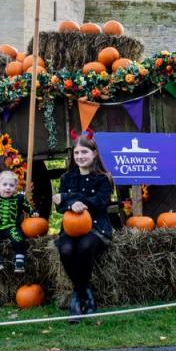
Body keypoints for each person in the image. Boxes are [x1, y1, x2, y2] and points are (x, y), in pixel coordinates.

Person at [52, 135, 114, 317]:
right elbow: (59, 206)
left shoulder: (103, 178)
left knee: (85, 246)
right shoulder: (66, 178)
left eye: (84, 152)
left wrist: (70, 198)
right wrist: (69, 203)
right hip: (70, 229)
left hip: (96, 228)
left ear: (94, 154)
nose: (80, 156)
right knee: (66, 250)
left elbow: (100, 202)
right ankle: (83, 293)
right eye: (77, 152)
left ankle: (77, 300)